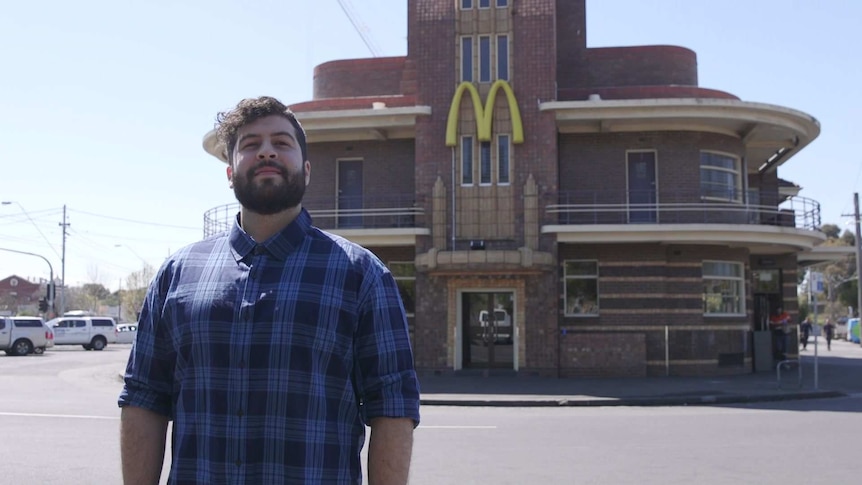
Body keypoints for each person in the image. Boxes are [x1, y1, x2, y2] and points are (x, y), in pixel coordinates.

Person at [118, 96, 420, 484]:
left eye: (281, 143)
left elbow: (392, 405)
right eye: (250, 144)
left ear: (306, 170)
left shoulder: (362, 275)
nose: (266, 152)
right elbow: (145, 397)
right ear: (230, 172)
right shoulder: (177, 274)